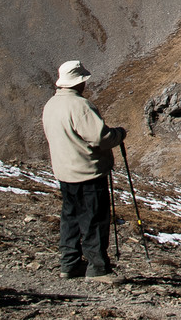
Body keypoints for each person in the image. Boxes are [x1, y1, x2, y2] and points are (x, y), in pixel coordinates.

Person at [41, 60, 127, 284]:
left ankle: (69, 263)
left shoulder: (51, 104)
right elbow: (100, 137)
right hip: (87, 172)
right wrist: (118, 135)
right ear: (78, 83)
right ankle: (98, 267)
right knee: (95, 218)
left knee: (70, 216)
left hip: (64, 171)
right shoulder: (80, 106)